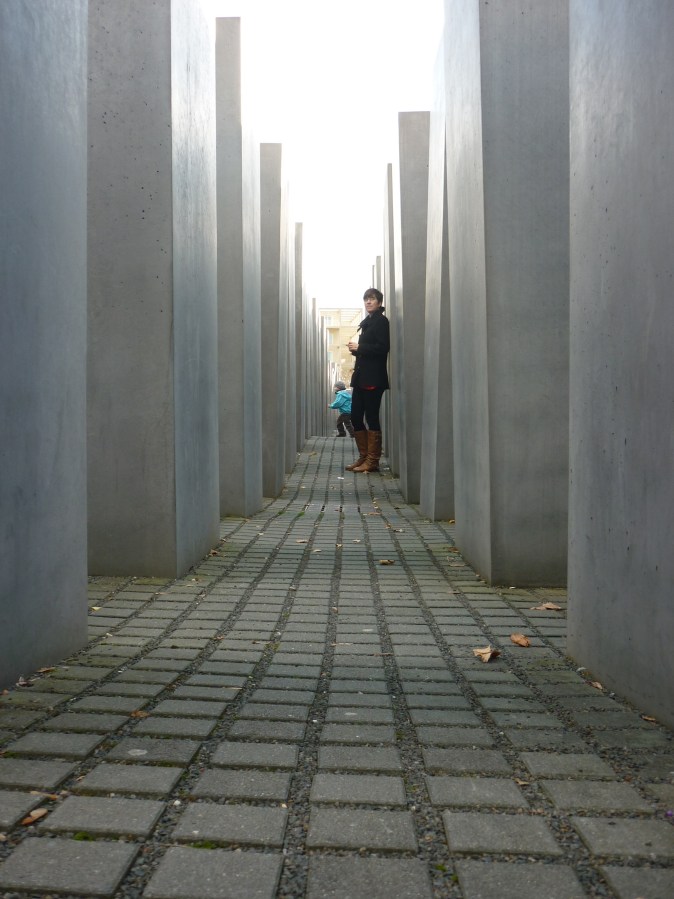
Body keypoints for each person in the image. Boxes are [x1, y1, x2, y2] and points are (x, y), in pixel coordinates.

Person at [345, 287, 390, 472]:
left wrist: (360, 347)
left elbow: (382, 348)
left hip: (373, 378)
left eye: (372, 299)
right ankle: (363, 456)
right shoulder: (368, 322)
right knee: (355, 416)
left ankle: (372, 461)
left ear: (379, 302)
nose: (368, 302)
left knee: (371, 417)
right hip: (361, 377)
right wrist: (356, 349)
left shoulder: (381, 321)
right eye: (366, 299)